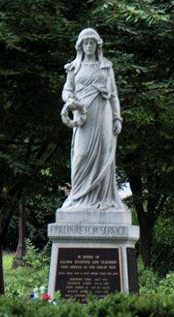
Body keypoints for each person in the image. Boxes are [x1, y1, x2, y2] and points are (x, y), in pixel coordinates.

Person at [59, 28, 125, 211]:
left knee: (104, 155)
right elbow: (67, 90)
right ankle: (78, 197)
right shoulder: (74, 67)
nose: (89, 46)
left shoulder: (106, 66)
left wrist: (117, 118)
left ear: (97, 45)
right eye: (86, 43)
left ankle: (103, 198)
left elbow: (114, 95)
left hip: (103, 114)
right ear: (81, 45)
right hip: (82, 118)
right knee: (81, 155)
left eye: (92, 43)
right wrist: (70, 101)